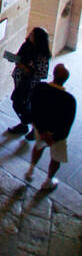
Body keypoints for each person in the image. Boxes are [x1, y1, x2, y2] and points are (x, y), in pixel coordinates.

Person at [25, 64, 76, 193]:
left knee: (38, 146)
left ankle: (30, 170)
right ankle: (48, 181)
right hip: (56, 135)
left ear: (53, 74)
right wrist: (54, 137)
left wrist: (41, 131)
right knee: (56, 157)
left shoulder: (40, 88)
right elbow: (67, 124)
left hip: (40, 129)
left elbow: (34, 109)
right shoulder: (69, 100)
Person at [8, 27, 51, 138]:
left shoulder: (42, 55)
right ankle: (25, 124)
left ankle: (33, 126)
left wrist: (26, 69)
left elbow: (42, 73)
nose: (30, 35)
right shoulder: (26, 45)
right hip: (20, 79)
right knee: (20, 103)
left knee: (23, 104)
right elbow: (19, 57)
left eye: (32, 34)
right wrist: (13, 59)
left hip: (30, 84)